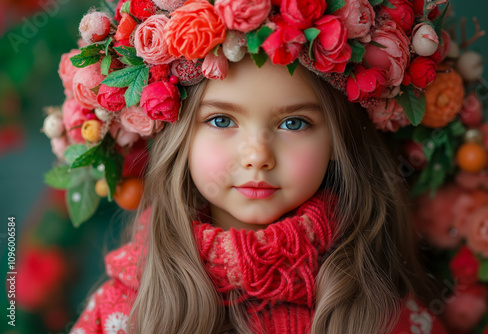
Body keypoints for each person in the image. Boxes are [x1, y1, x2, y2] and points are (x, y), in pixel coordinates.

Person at [68, 54, 447, 333]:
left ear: (336, 140)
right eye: (221, 120)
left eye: (294, 123)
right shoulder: (125, 308)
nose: (258, 156)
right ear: (179, 137)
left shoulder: (377, 305)